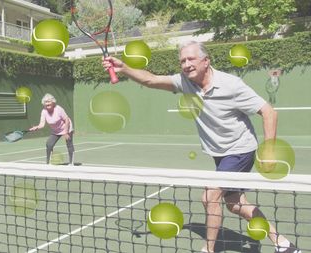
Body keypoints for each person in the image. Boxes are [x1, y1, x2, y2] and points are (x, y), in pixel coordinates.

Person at [102, 41, 300, 253]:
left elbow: (269, 112)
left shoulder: (231, 85)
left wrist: (269, 151)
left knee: (210, 197)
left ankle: (209, 249)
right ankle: (283, 244)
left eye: (191, 59)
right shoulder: (185, 82)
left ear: (206, 61)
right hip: (219, 154)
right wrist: (124, 68)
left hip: (240, 150)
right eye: (182, 61)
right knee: (235, 204)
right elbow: (150, 80)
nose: (186, 64)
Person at [29, 93, 75, 165]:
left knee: (69, 143)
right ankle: (48, 163)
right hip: (56, 130)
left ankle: (71, 162)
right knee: (49, 144)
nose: (47, 103)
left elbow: (67, 120)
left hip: (66, 127)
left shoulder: (58, 109)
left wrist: (65, 132)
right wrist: (36, 127)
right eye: (45, 102)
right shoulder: (44, 111)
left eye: (49, 101)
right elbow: (42, 124)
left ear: (53, 102)